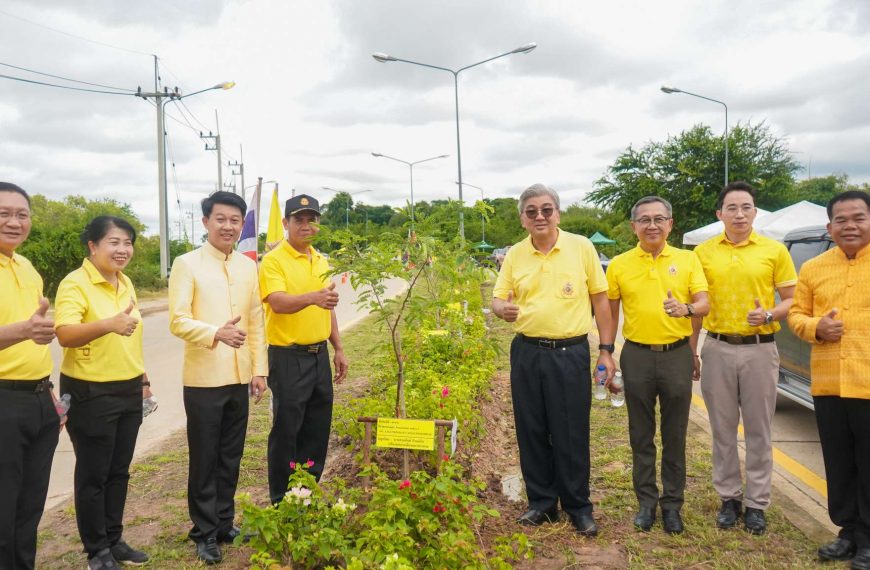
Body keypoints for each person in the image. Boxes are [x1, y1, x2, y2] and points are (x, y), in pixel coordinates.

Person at [491, 183, 616, 536]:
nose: (540, 216)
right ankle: (542, 504)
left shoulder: (581, 247)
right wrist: (502, 309)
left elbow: (601, 301)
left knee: (571, 431)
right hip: (527, 351)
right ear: (522, 219)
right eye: (531, 211)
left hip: (570, 353)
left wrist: (606, 349)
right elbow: (498, 299)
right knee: (531, 428)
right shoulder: (515, 254)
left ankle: (578, 506)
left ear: (558, 213)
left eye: (547, 209)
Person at [169, 191, 268, 565]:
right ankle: (204, 531)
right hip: (203, 379)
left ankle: (224, 522)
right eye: (221, 219)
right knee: (205, 457)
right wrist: (215, 333)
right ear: (206, 222)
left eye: (234, 220)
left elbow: (256, 321)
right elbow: (178, 320)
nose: (228, 226)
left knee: (231, 456)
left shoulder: (247, 266)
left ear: (241, 224)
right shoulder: (187, 264)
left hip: (239, 376)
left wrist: (259, 369)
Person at [693, 181, 797, 534]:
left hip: (760, 348)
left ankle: (756, 504)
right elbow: (696, 307)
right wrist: (692, 349)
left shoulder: (774, 250)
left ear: (755, 211)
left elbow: (790, 300)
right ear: (719, 213)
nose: (740, 214)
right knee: (722, 428)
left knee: (759, 430)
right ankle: (729, 498)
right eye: (732, 208)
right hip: (718, 347)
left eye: (747, 207)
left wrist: (769, 314)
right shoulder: (703, 254)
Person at [606, 196, 709, 534]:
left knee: (675, 432)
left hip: (677, 353)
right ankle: (646, 503)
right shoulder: (620, 264)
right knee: (641, 433)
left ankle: (672, 506)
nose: (652, 225)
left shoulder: (688, 259)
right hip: (636, 354)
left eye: (659, 219)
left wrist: (687, 310)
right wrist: (606, 352)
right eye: (644, 219)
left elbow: (704, 302)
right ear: (634, 226)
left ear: (670, 224)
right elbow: (609, 311)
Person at [54, 216, 151, 569]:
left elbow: (132, 338)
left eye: (127, 242)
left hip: (128, 387)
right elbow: (65, 333)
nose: (122, 249)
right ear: (92, 246)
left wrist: (143, 379)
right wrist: (109, 324)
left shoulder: (124, 282)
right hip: (90, 390)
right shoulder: (74, 284)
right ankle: (97, 550)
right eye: (114, 242)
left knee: (119, 470)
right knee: (94, 472)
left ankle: (114, 538)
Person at [787, 190, 870, 568]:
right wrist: (817, 327)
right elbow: (796, 315)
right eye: (842, 220)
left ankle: (868, 538)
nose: (850, 226)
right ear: (830, 226)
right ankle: (847, 532)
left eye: (858, 218)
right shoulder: (814, 268)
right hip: (828, 382)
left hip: (867, 383)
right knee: (838, 460)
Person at [259, 194, 348, 504]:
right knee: (287, 431)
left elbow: (328, 306)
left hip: (318, 356)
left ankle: (305, 496)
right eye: (299, 220)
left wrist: (337, 346)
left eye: (312, 220)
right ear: (286, 223)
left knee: (316, 428)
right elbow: (278, 303)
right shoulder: (273, 261)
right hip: (288, 357)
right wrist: (313, 297)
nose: (306, 226)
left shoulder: (321, 259)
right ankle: (281, 501)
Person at [0, 182, 60, 570]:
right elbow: (25, 331)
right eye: (4, 213)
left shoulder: (26, 266)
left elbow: (34, 338)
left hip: (39, 402)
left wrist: (49, 393)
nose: (14, 222)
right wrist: (22, 330)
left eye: (22, 214)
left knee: (29, 507)